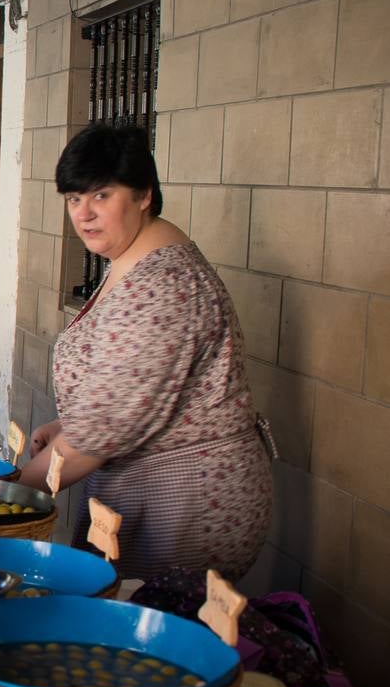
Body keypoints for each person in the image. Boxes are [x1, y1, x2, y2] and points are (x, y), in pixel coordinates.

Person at [16, 124, 274, 581]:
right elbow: (133, 386)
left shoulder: (162, 285)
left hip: (188, 498)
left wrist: (5, 494)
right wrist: (65, 423)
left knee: (150, 629)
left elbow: (101, 432)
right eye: (74, 199)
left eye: (101, 196)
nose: (84, 215)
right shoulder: (131, 258)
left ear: (143, 196)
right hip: (143, 483)